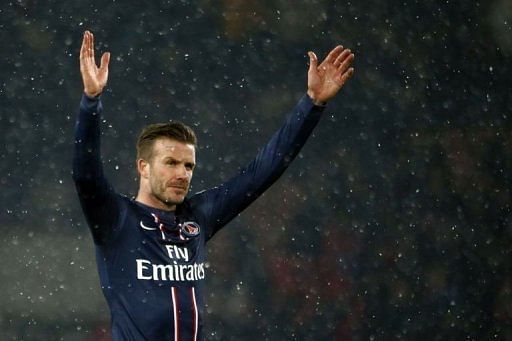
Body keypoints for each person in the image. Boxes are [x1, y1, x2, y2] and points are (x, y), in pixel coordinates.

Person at [73, 30, 354, 340]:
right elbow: (86, 175)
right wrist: (91, 102)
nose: (182, 174)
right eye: (170, 163)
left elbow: (263, 172)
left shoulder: (197, 217)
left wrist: (311, 104)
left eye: (188, 165)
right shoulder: (117, 220)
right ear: (143, 167)